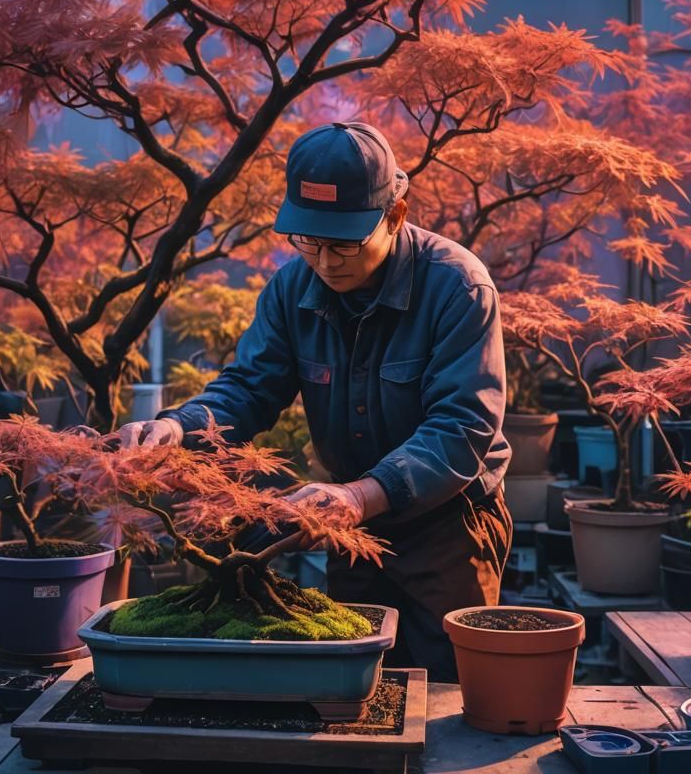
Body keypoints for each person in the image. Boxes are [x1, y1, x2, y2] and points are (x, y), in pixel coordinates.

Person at [117, 121, 512, 680]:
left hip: (446, 523)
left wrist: (361, 493)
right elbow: (249, 387)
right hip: (346, 522)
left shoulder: (457, 286)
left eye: (344, 242)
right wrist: (178, 429)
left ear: (394, 216)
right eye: (309, 240)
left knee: (448, 686)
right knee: (357, 677)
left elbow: (462, 426)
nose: (325, 261)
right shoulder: (290, 289)